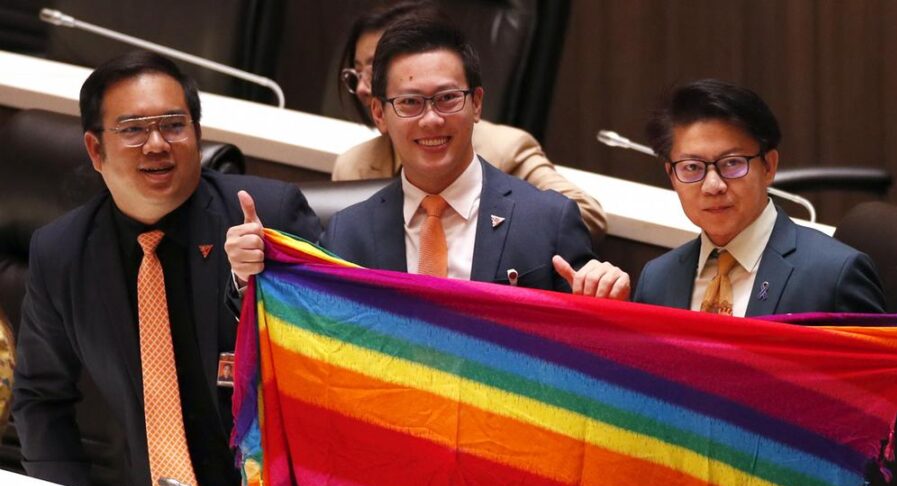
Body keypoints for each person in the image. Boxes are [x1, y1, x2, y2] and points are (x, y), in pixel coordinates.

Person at [11, 51, 321, 486]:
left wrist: (257, 280)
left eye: (174, 125)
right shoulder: (62, 254)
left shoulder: (266, 217)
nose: (157, 144)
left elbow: (327, 364)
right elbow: (40, 397)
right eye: (133, 129)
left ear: (196, 135)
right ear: (96, 150)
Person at [229, 18, 628, 300]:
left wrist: (607, 297)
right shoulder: (346, 233)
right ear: (380, 115)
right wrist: (249, 280)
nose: (432, 118)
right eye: (410, 103)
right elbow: (305, 335)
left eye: (448, 98)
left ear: (477, 104)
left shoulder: (549, 220)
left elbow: (590, 348)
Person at [633, 78, 897, 388]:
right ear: (671, 176)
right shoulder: (658, 280)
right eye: (692, 168)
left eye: (732, 163)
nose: (713, 185)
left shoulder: (833, 275)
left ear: (769, 166)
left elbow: (881, 395)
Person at [330, 0, 608, 241]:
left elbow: (586, 213)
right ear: (380, 112)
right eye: (358, 72)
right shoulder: (354, 166)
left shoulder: (505, 149)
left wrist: (487, 227)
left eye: (376, 69)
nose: (364, 87)